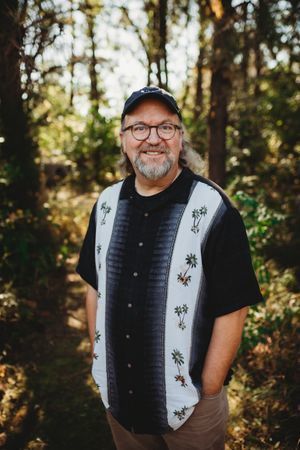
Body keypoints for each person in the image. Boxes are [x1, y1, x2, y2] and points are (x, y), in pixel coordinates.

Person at [76, 86, 263, 450]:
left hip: (189, 408)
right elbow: (93, 286)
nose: (153, 139)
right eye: (140, 128)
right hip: (120, 400)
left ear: (180, 138)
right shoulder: (106, 204)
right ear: (124, 138)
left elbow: (234, 307)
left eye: (166, 127)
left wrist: (208, 388)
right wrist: (98, 359)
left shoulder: (212, 209)